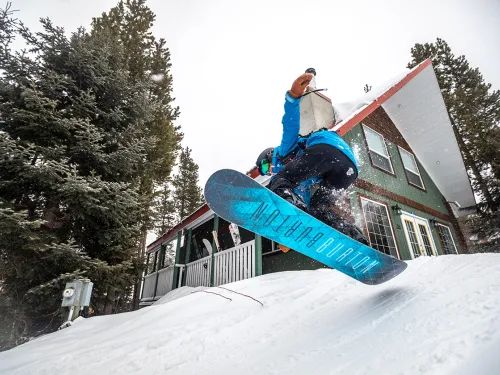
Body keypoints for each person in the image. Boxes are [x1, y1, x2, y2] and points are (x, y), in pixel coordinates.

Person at [256, 71, 369, 246]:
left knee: (279, 181)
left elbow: (290, 126)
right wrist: (292, 234)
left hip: (327, 150)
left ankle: (291, 208)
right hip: (349, 169)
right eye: (264, 171)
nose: (268, 170)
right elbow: (304, 204)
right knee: (318, 209)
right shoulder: (302, 175)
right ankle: (354, 238)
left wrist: (292, 98)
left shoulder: (283, 152)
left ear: (270, 156)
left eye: (265, 165)